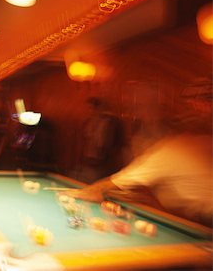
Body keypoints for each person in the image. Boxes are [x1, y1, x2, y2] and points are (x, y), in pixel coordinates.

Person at [65, 83, 212, 227]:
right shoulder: (197, 142)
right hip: (194, 219)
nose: (135, 112)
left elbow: (117, 181)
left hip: (204, 225)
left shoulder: (175, 149)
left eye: (198, 106)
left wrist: (95, 190)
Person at [79, 97, 126, 183]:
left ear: (98, 108)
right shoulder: (88, 122)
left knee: (100, 188)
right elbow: (87, 141)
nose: (88, 111)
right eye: (87, 109)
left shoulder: (112, 122)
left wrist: (110, 161)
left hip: (105, 164)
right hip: (90, 162)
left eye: (90, 108)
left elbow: (118, 144)